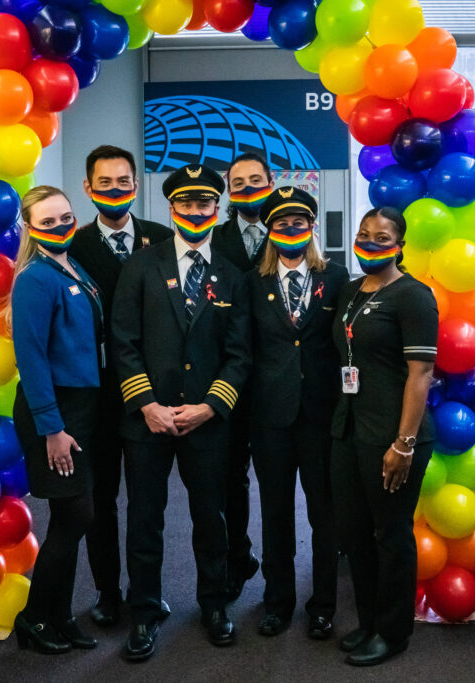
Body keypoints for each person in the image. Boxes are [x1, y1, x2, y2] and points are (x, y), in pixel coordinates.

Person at [112, 164, 252, 661]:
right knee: (145, 518)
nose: (195, 212)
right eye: (186, 204)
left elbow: (240, 355)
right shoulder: (141, 266)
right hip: (146, 420)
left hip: (206, 422)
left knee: (210, 518)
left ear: (218, 208)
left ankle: (214, 604)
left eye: (205, 204)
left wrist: (210, 407)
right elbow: (122, 341)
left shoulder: (231, 276)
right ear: (171, 208)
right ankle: (145, 612)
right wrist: (146, 404)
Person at [68, 145, 174, 626]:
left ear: (137, 184)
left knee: (149, 501)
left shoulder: (162, 239)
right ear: (89, 189)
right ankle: (109, 592)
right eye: (105, 184)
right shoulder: (71, 245)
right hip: (96, 396)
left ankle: (146, 593)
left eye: (124, 182)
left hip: (151, 392)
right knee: (102, 499)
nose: (116, 191)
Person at [330, 207, 438, 666]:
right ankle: (369, 622)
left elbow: (421, 372)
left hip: (394, 436)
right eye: (363, 234)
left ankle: (393, 633)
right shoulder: (351, 291)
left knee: (390, 535)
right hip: (349, 428)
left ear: (400, 244)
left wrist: (404, 444)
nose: (370, 242)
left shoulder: (414, 296)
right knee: (355, 534)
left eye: (381, 236)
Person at [246, 187, 348, 641]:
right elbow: (245, 350)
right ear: (269, 231)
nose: (291, 230)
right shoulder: (252, 282)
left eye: (299, 223)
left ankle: (323, 605)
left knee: (324, 515)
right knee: (274, 512)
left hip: (322, 415)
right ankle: (277, 603)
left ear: (311, 228)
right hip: (270, 417)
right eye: (282, 224)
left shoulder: (339, 277)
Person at [8, 186, 103, 654]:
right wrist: (52, 427)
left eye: (66, 216)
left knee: (74, 516)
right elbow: (31, 357)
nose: (61, 226)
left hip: (81, 407)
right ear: (30, 229)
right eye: (49, 222)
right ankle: (34, 619)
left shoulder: (71, 266)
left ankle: (60, 615)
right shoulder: (34, 278)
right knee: (74, 514)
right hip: (54, 412)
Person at [210, 151, 274, 600]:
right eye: (239, 181)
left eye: (257, 179)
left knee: (279, 482)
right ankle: (238, 558)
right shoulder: (211, 240)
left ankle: (284, 574)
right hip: (228, 378)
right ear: (228, 191)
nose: (248, 186)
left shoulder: (293, 232)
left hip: (277, 381)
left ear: (271, 182)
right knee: (230, 479)